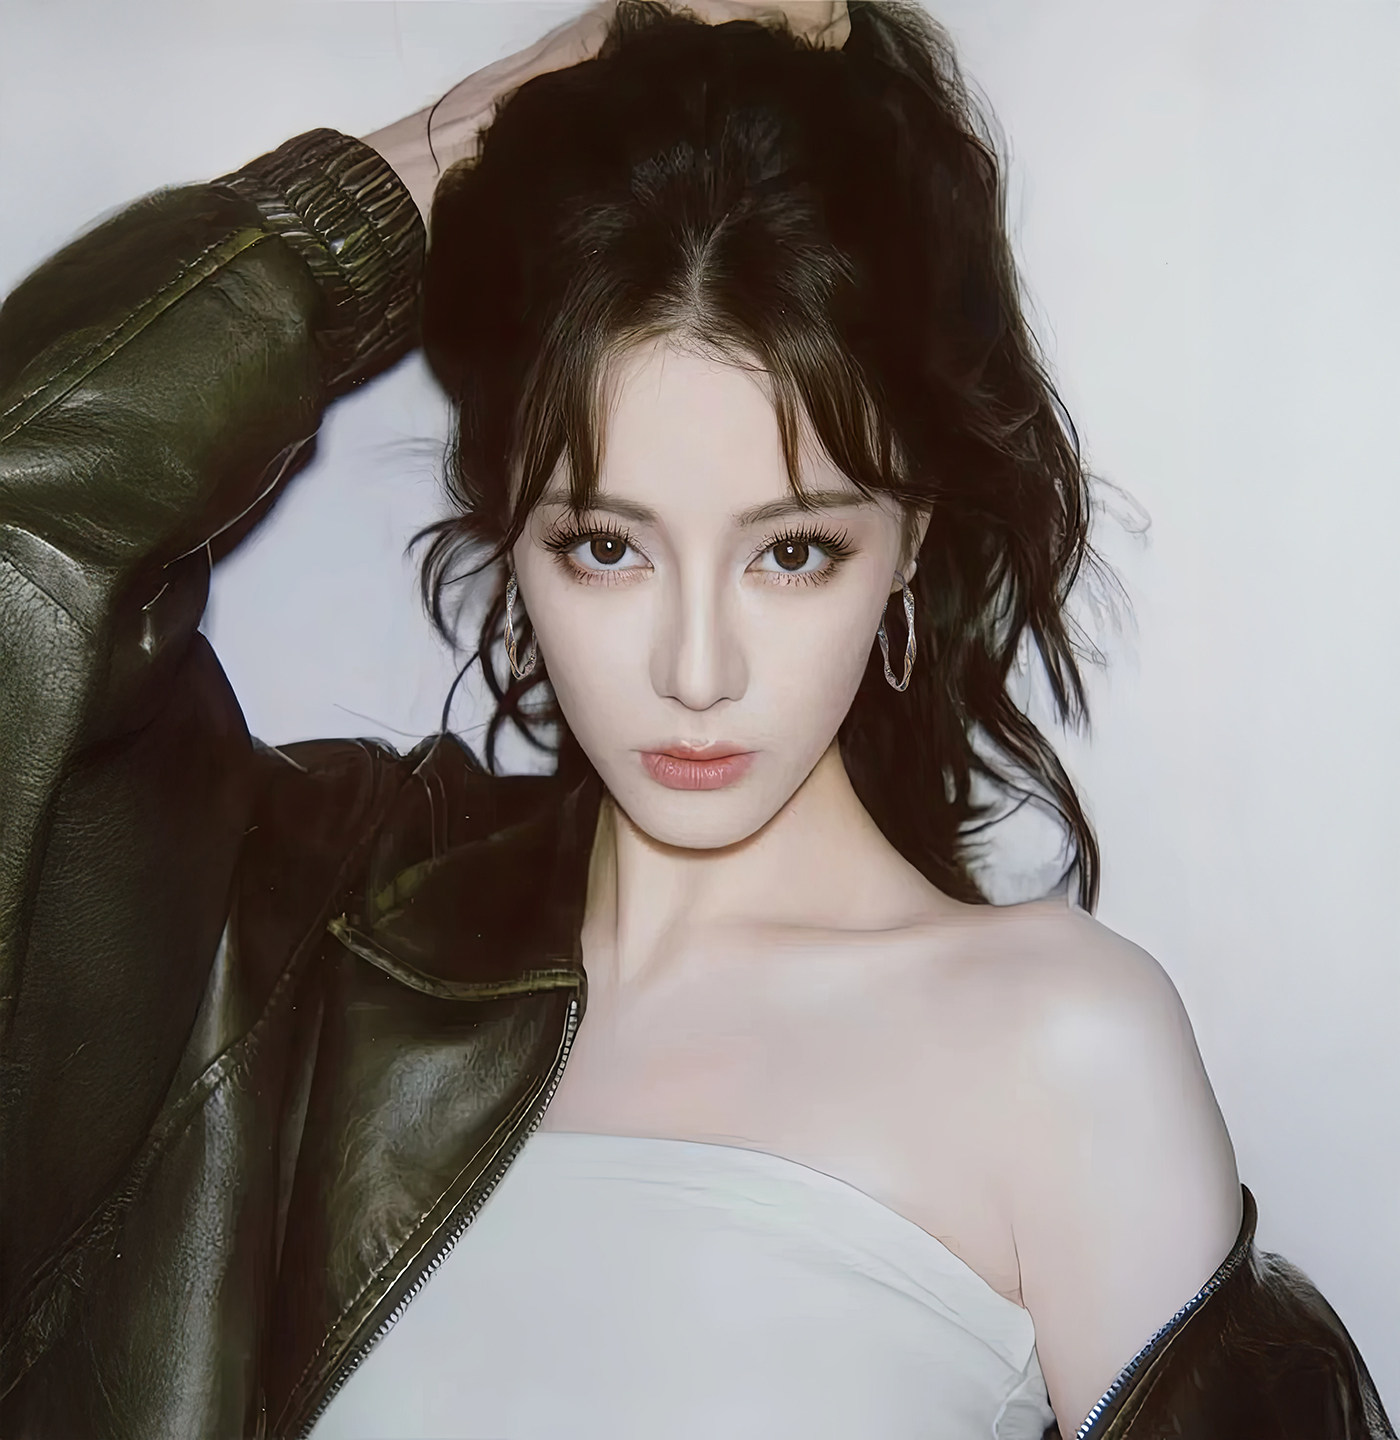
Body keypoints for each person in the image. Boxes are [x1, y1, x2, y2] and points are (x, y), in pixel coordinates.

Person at [0, 2, 1391, 1437]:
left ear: (909, 538)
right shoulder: (305, 962)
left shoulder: (1060, 1050)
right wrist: (472, 136)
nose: (698, 668)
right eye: (609, 546)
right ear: (508, 529)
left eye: (793, 551)